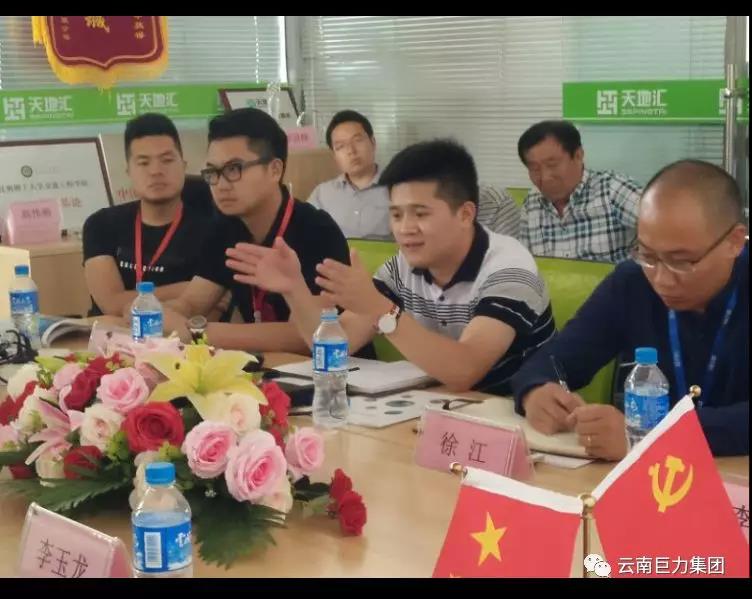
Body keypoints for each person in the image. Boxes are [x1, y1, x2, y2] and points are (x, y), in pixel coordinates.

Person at [227, 139, 556, 394]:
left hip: (517, 418)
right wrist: (294, 289)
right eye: (396, 215)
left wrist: (381, 310)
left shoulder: (508, 268)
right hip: (439, 410)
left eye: (420, 214)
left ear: (465, 214)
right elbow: (334, 346)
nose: (405, 228)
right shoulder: (402, 267)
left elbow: (464, 371)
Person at [511, 160, 749, 459]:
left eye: (681, 261)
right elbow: (552, 359)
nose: (661, 279)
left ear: (734, 242)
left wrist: (647, 436)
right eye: (648, 255)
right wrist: (535, 391)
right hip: (650, 476)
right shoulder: (632, 282)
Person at [160, 107, 352, 352]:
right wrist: (152, 313)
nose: (220, 185)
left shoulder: (317, 231)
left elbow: (307, 335)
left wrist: (200, 333)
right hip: (266, 365)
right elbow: (190, 304)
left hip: (336, 369)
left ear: (274, 170)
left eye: (233, 169)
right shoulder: (225, 228)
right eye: (212, 172)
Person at [83, 113, 214, 316]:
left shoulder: (212, 231)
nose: (155, 171)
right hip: (109, 335)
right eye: (144, 163)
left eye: (167, 160)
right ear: (129, 172)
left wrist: (129, 299)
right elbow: (111, 304)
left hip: (176, 336)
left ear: (184, 166)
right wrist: (187, 289)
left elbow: (201, 315)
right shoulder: (101, 224)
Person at [517, 120, 641, 263]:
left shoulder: (612, 189)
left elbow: (662, 223)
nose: (545, 177)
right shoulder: (532, 204)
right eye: (534, 169)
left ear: (578, 155)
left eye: (552, 165)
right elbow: (526, 264)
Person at [308, 110, 391, 239]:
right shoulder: (321, 194)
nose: (351, 151)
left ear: (373, 142)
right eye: (340, 146)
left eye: (358, 140)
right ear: (334, 156)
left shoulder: (397, 189)